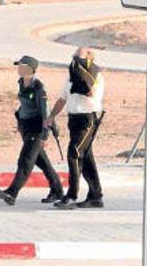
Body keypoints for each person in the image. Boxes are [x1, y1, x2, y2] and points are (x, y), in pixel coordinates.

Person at [0, 55, 64, 206]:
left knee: (25, 161)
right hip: (26, 128)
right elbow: (25, 105)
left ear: (30, 69)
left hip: (36, 129)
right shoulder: (21, 83)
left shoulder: (38, 88)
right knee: (42, 162)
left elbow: (45, 112)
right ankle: (57, 190)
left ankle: (12, 192)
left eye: (21, 66)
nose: (18, 69)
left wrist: (45, 136)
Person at [46, 46, 105, 210]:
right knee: (86, 158)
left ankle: (71, 195)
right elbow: (63, 98)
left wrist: (83, 79)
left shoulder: (95, 75)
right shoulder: (71, 77)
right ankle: (95, 196)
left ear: (88, 58)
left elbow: (93, 94)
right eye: (74, 58)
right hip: (74, 119)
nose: (75, 62)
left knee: (74, 154)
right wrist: (51, 116)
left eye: (78, 58)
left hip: (87, 119)